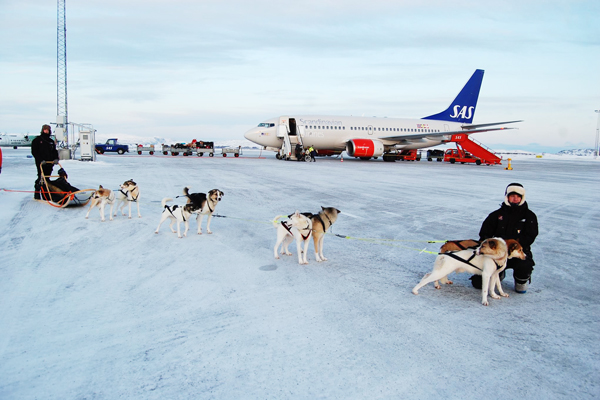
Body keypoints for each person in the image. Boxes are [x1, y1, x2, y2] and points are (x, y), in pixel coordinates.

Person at [471, 183, 538, 293]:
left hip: (517, 252)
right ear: (507, 197)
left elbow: (530, 236)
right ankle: (498, 274)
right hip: (497, 254)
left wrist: (513, 245)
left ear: (522, 198)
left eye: (518, 196)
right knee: (478, 283)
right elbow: (484, 234)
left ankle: (521, 280)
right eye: (512, 196)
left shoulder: (529, 216)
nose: (515, 198)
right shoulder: (496, 215)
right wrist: (491, 246)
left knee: (525, 265)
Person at [31, 124, 59, 199]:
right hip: (41, 163)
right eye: (45, 130)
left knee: (47, 178)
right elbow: (34, 152)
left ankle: (46, 193)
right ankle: (37, 192)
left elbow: (54, 151)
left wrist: (56, 158)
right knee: (41, 177)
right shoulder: (37, 140)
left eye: (47, 130)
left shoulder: (51, 141)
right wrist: (40, 160)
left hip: (50, 163)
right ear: (42, 130)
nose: (46, 131)